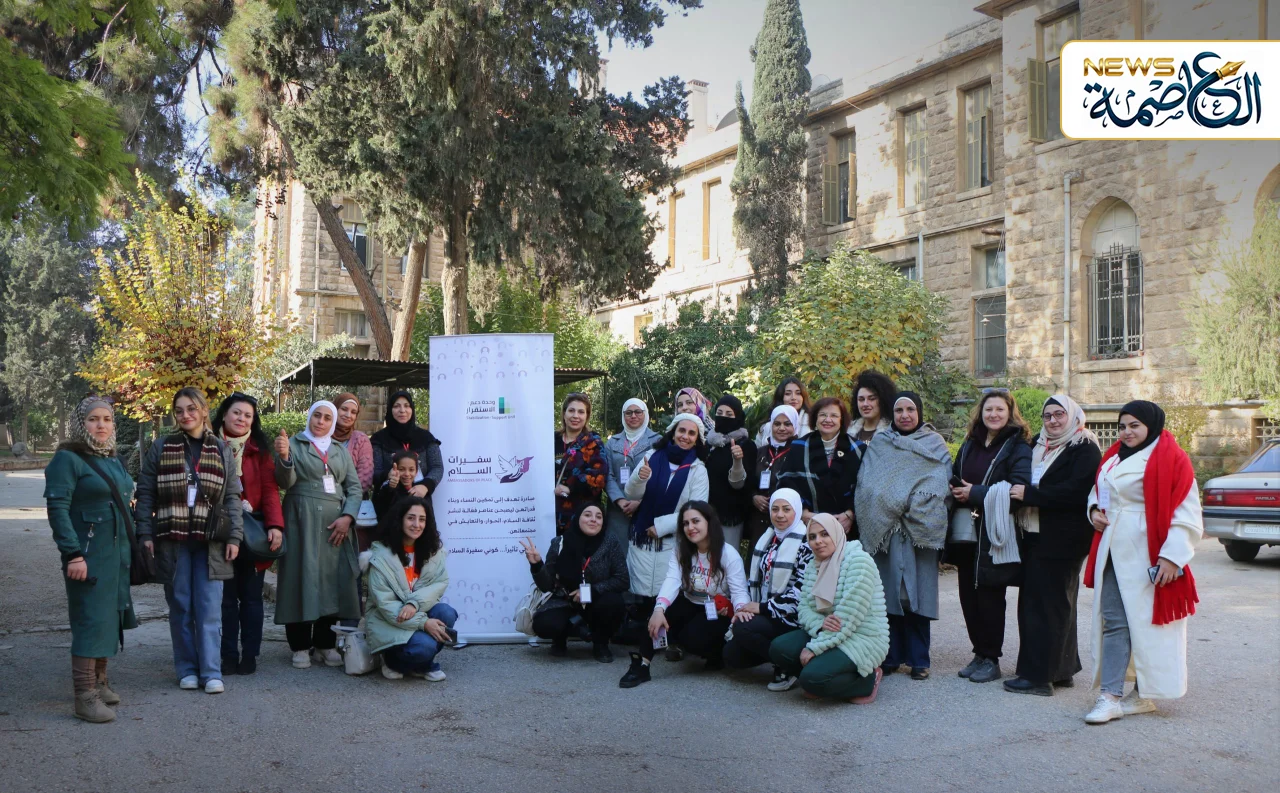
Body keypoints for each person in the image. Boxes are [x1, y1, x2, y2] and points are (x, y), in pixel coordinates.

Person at [1082, 401, 1202, 725]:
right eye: (1122, 426)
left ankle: (1142, 694)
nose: (1126, 432)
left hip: (1149, 551)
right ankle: (1110, 696)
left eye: (1134, 425)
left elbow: (1187, 511)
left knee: (1148, 625)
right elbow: (1099, 492)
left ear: (1151, 424)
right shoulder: (1112, 457)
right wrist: (1093, 511)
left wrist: (1172, 557)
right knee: (1114, 621)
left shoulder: (1173, 458)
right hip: (1112, 548)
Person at [135, 387, 243, 694]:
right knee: (181, 606)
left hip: (212, 542)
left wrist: (235, 536)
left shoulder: (221, 449)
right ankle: (186, 669)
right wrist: (145, 534)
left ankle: (211, 671)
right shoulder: (161, 446)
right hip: (173, 541)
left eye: (192, 409)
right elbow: (146, 493)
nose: (185, 415)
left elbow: (232, 496)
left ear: (204, 411)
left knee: (209, 609)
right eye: (180, 410)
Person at [43, 397, 139, 722]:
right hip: (87, 555)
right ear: (79, 424)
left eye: (107, 419)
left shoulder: (113, 459)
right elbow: (57, 509)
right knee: (90, 618)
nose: (101, 425)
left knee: (110, 615)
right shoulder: (67, 459)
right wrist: (72, 554)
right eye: (93, 419)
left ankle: (99, 681)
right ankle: (84, 697)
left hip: (117, 554)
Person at [1004, 394, 1102, 696]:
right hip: (1037, 534)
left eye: (1059, 414)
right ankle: (1061, 670)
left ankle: (1038, 678)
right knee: (1055, 604)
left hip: (1063, 539)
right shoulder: (1040, 445)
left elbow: (1076, 492)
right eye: (1048, 416)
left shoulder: (1083, 446)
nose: (1053, 420)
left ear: (1073, 416)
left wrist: (1030, 496)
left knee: (1044, 607)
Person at [854, 392, 951, 681]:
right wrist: (891, 507)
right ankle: (891, 657)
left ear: (919, 412)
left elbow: (939, 481)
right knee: (889, 594)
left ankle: (919, 660)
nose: (905, 415)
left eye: (910, 409)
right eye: (899, 411)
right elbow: (867, 483)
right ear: (893, 415)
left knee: (919, 595)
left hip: (920, 529)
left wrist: (908, 506)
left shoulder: (934, 443)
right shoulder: (881, 443)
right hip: (885, 530)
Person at [949, 389, 1033, 684]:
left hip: (995, 531)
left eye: (999, 409)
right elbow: (955, 472)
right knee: (967, 594)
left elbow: (1018, 490)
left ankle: (991, 658)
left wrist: (975, 493)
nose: (993, 414)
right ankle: (979, 653)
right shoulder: (970, 442)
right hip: (966, 529)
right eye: (988, 409)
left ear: (1010, 413)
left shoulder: (1018, 446)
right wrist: (956, 488)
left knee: (990, 595)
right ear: (981, 413)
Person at [618, 501, 749, 687]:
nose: (690, 527)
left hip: (718, 610)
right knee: (656, 615)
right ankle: (642, 665)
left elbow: (739, 591)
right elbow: (672, 580)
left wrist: (740, 611)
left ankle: (717, 654)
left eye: (696, 521)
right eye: (685, 523)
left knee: (693, 638)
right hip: (690, 601)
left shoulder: (728, 553)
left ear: (709, 522)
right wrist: (659, 609)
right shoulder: (681, 550)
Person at [273, 400, 364, 669]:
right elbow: (284, 482)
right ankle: (300, 646)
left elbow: (354, 488)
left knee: (330, 580)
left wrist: (347, 517)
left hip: (334, 526)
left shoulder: (339, 451)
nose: (321, 422)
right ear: (309, 417)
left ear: (332, 423)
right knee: (299, 577)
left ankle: (324, 645)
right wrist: (284, 457)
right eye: (317, 416)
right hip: (300, 521)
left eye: (327, 418)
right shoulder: (294, 444)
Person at [769, 513, 889, 703]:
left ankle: (868, 680)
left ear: (836, 533)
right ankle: (824, 678)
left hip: (860, 636)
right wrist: (820, 625)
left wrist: (815, 648)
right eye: (812, 537)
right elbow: (804, 608)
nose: (818, 541)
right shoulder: (813, 564)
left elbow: (848, 617)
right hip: (827, 631)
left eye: (825, 534)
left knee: (811, 679)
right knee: (779, 649)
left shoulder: (859, 562)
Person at [212, 392, 284, 676]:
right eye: (236, 413)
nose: (241, 419)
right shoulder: (209, 445)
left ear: (253, 421)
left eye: (248, 415)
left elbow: (270, 490)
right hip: (218, 532)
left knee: (252, 599)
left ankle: (250, 654)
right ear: (225, 414)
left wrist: (275, 525)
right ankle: (228, 655)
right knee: (226, 600)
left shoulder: (259, 450)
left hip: (253, 532)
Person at [723, 489, 813, 691]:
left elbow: (802, 593)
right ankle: (781, 656)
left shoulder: (807, 543)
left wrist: (762, 608)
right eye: (775, 509)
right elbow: (757, 580)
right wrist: (745, 608)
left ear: (797, 511)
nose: (780, 515)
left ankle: (789, 665)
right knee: (731, 655)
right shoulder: (769, 538)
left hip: (793, 618)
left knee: (743, 629)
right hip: (768, 612)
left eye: (786, 509)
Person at [623, 414, 710, 614]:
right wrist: (639, 478)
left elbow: (697, 510)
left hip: (673, 541)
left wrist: (661, 526)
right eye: (682, 430)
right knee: (642, 598)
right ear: (673, 433)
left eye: (691, 433)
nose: (685, 436)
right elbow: (631, 493)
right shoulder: (652, 456)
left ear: (697, 439)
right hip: (642, 539)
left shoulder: (698, 469)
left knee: (667, 595)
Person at [362, 497, 457, 681]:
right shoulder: (381, 556)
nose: (417, 524)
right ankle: (391, 660)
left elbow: (439, 583)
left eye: (422, 519)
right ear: (400, 519)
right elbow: (386, 605)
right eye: (411, 518)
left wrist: (414, 603)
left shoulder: (433, 551)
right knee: (425, 646)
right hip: (389, 620)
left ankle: (421, 663)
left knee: (446, 613)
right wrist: (424, 623)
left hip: (416, 612)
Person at [521, 504, 630, 663]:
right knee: (544, 624)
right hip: (564, 601)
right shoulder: (560, 543)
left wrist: (592, 590)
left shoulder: (610, 542)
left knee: (614, 603)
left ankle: (600, 644)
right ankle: (560, 638)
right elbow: (547, 586)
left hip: (597, 601)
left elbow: (622, 579)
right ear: (578, 518)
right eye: (587, 515)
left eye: (598, 516)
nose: (593, 519)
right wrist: (537, 565)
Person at [777, 396, 863, 536]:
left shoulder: (858, 449)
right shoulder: (799, 446)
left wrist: (850, 514)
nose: (828, 420)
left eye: (834, 415)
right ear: (815, 418)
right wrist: (803, 511)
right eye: (823, 415)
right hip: (808, 525)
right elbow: (786, 482)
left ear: (841, 420)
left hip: (846, 526)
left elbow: (865, 487)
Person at [603, 398, 662, 544]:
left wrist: (640, 502)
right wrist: (621, 500)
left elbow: (661, 476)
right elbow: (607, 475)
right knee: (618, 552)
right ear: (623, 415)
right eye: (628, 413)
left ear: (645, 414)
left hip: (646, 507)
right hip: (618, 511)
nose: (633, 416)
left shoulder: (657, 440)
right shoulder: (612, 442)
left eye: (638, 412)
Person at [704, 394, 756, 552]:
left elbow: (740, 484)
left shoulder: (746, 445)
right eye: (719, 413)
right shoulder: (709, 443)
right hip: (705, 513)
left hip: (730, 516)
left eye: (729, 414)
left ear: (738, 417)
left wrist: (737, 460)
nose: (723, 417)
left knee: (726, 559)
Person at [554, 392, 608, 536]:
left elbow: (599, 478)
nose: (575, 416)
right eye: (571, 410)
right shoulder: (550, 439)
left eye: (581, 412)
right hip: (548, 517)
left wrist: (570, 488)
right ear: (564, 413)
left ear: (587, 416)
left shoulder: (593, 442)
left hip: (581, 518)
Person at [370, 390, 443, 494]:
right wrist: (387, 475)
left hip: (419, 499)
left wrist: (426, 485)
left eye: (406, 406)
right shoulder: (378, 439)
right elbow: (373, 472)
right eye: (396, 406)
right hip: (387, 499)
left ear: (412, 409)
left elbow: (437, 467)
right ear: (390, 410)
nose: (402, 410)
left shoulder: (426, 437)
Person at [747, 405, 800, 547]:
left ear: (795, 425)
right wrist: (754, 497)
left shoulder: (800, 451)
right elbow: (749, 482)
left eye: (787, 424)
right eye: (777, 424)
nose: (782, 428)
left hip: (787, 520)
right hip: (760, 520)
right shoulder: (761, 452)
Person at [333, 392, 374, 492]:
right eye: (344, 409)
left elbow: (364, 478)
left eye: (353, 412)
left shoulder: (361, 440)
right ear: (335, 409)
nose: (348, 415)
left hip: (351, 498)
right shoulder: (322, 436)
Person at [754, 377, 812, 446]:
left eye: (798, 393)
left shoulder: (813, 422)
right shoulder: (767, 427)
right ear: (780, 397)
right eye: (788, 394)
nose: (793, 397)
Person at [849, 370, 896, 443]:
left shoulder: (893, 434)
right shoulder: (846, 433)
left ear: (883, 400)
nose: (865, 404)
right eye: (861, 399)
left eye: (872, 399)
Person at [372, 450, 420, 521]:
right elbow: (382, 509)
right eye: (401, 469)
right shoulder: (387, 489)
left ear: (416, 471)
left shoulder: (420, 490)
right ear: (394, 470)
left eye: (411, 470)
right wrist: (391, 487)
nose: (407, 474)